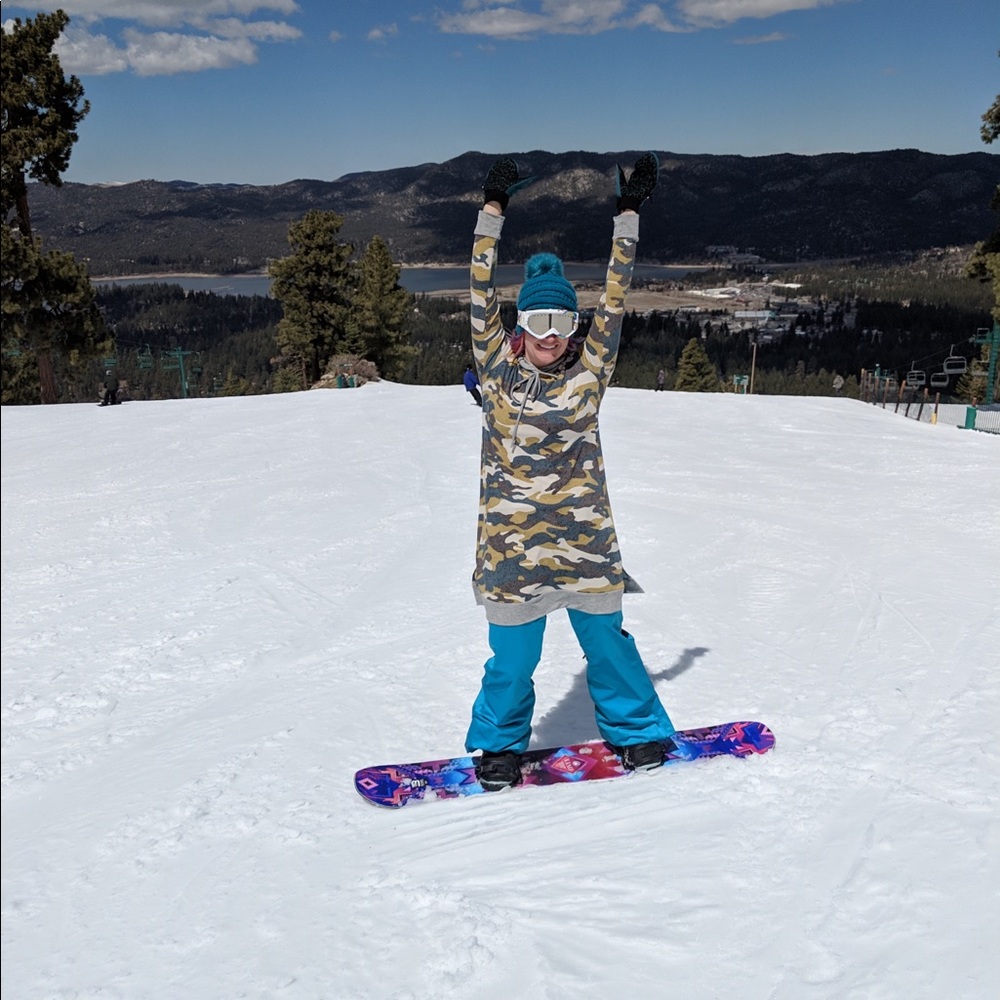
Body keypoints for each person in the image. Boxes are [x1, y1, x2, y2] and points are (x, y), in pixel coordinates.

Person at [466, 154, 677, 791]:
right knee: (512, 660)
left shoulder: (589, 375)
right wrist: (493, 210)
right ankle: (500, 746)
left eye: (561, 322)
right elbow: (479, 289)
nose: (551, 335)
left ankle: (636, 731)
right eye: (537, 321)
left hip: (584, 545)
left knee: (608, 646)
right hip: (512, 549)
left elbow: (616, 296)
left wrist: (628, 217)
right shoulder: (499, 374)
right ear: (519, 326)